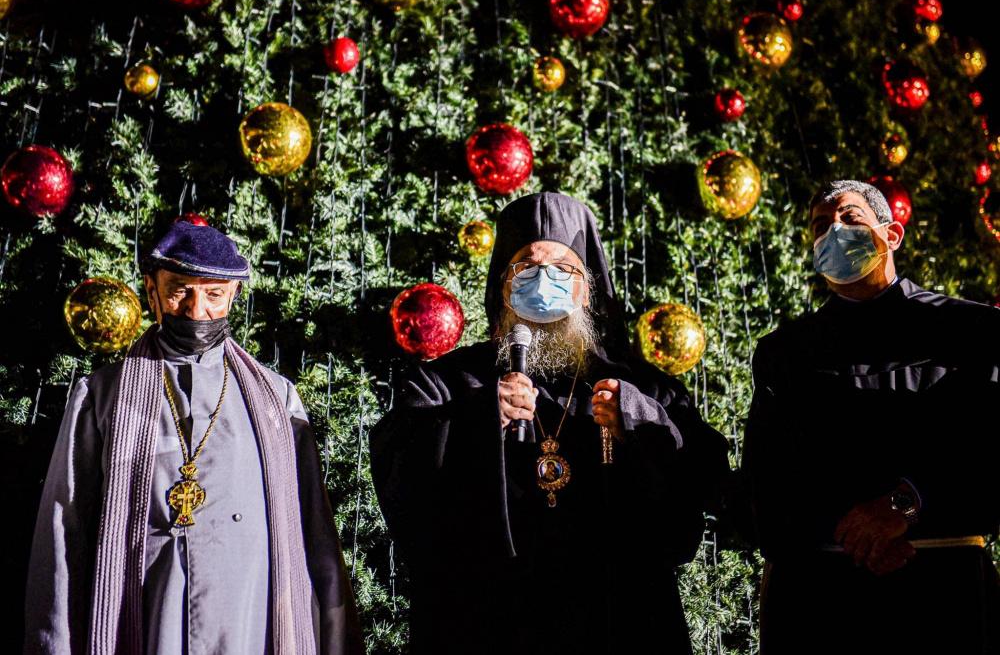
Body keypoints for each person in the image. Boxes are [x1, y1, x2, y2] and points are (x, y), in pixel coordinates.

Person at [370, 192, 729, 654]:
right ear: (503, 288)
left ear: (587, 289)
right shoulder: (447, 382)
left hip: (616, 621)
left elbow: (703, 483)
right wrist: (478, 418)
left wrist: (644, 422)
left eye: (563, 268)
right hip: (487, 623)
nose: (544, 280)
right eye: (526, 266)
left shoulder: (643, 386)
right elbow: (398, 475)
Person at [25, 220, 362, 654]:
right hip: (147, 619)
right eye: (180, 290)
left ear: (233, 295)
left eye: (214, 294)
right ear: (152, 291)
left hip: (248, 622)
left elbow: (314, 534)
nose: (196, 309)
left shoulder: (277, 399)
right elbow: (62, 532)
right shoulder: (101, 396)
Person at [743, 180, 1000, 654]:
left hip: (944, 592)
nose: (834, 231)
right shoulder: (785, 353)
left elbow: (992, 444)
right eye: (821, 226)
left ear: (892, 234)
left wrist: (909, 503)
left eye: (850, 217)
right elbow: (768, 477)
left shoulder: (973, 331)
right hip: (823, 599)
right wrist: (857, 536)